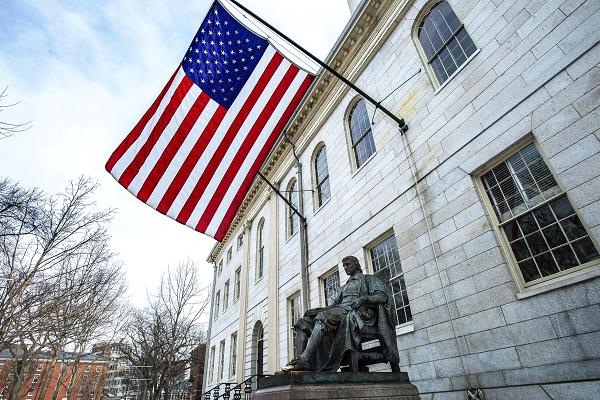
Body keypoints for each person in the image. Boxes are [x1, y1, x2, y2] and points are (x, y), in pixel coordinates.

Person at [283, 256, 399, 372]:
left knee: (323, 317)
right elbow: (334, 306)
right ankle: (300, 364)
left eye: (348, 264)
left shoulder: (368, 279)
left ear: (356, 265)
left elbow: (382, 297)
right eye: (344, 265)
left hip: (357, 313)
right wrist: (317, 310)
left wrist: (363, 299)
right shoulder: (343, 287)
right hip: (340, 311)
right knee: (303, 322)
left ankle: (305, 358)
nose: (345, 268)